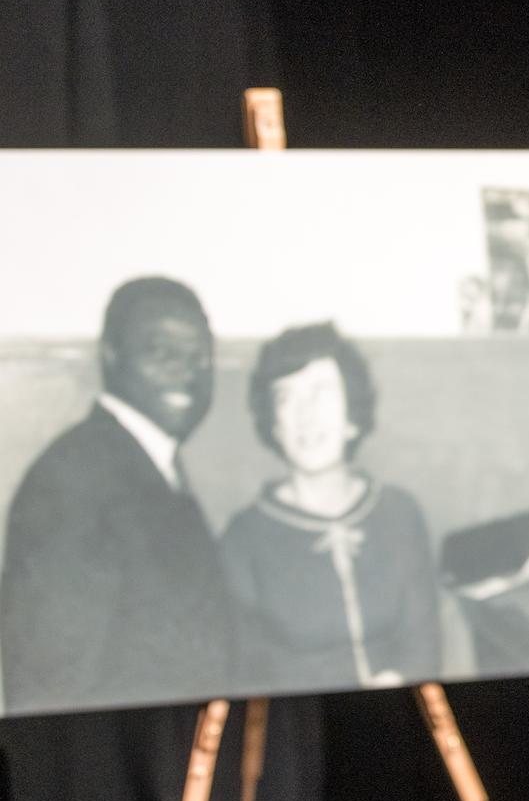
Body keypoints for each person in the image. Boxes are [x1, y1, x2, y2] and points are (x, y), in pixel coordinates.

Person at [0, 275, 234, 713]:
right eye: (160, 351)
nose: (187, 370)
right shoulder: (71, 482)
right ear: (110, 356)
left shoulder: (149, 463)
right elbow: (49, 687)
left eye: (200, 356)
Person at [222, 322, 441, 694]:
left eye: (321, 393)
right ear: (275, 425)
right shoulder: (243, 540)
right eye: (287, 398)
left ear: (352, 418)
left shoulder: (400, 514)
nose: (306, 415)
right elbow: (247, 673)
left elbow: (422, 643)